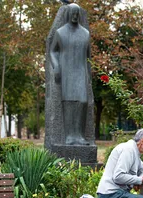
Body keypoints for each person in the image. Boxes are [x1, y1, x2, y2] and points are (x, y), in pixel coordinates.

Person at [50, 3, 90, 145]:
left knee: (82, 101)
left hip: (80, 71)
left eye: (76, 13)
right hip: (66, 71)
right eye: (72, 13)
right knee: (68, 102)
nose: (74, 16)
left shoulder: (85, 34)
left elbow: (88, 56)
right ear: (68, 14)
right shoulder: (60, 32)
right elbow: (52, 51)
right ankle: (69, 136)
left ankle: (78, 135)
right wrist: (56, 66)